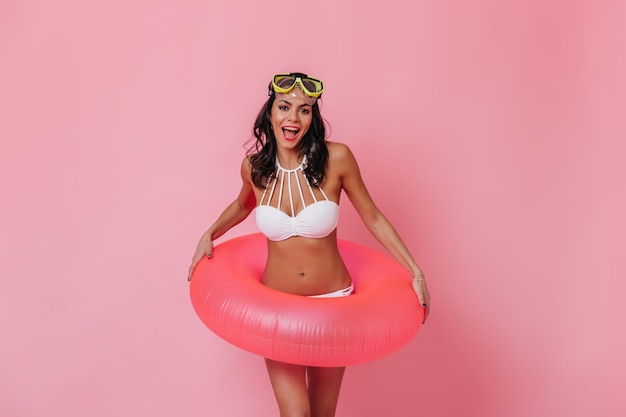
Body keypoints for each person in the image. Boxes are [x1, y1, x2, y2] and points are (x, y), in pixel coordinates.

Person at [188, 72, 430, 417]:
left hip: (333, 304)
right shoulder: (255, 168)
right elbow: (243, 204)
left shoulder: (338, 159)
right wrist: (208, 234)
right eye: (284, 107)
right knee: (296, 414)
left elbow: (372, 216)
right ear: (269, 114)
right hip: (278, 307)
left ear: (313, 118)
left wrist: (415, 270)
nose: (293, 118)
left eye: (304, 110)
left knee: (322, 415)